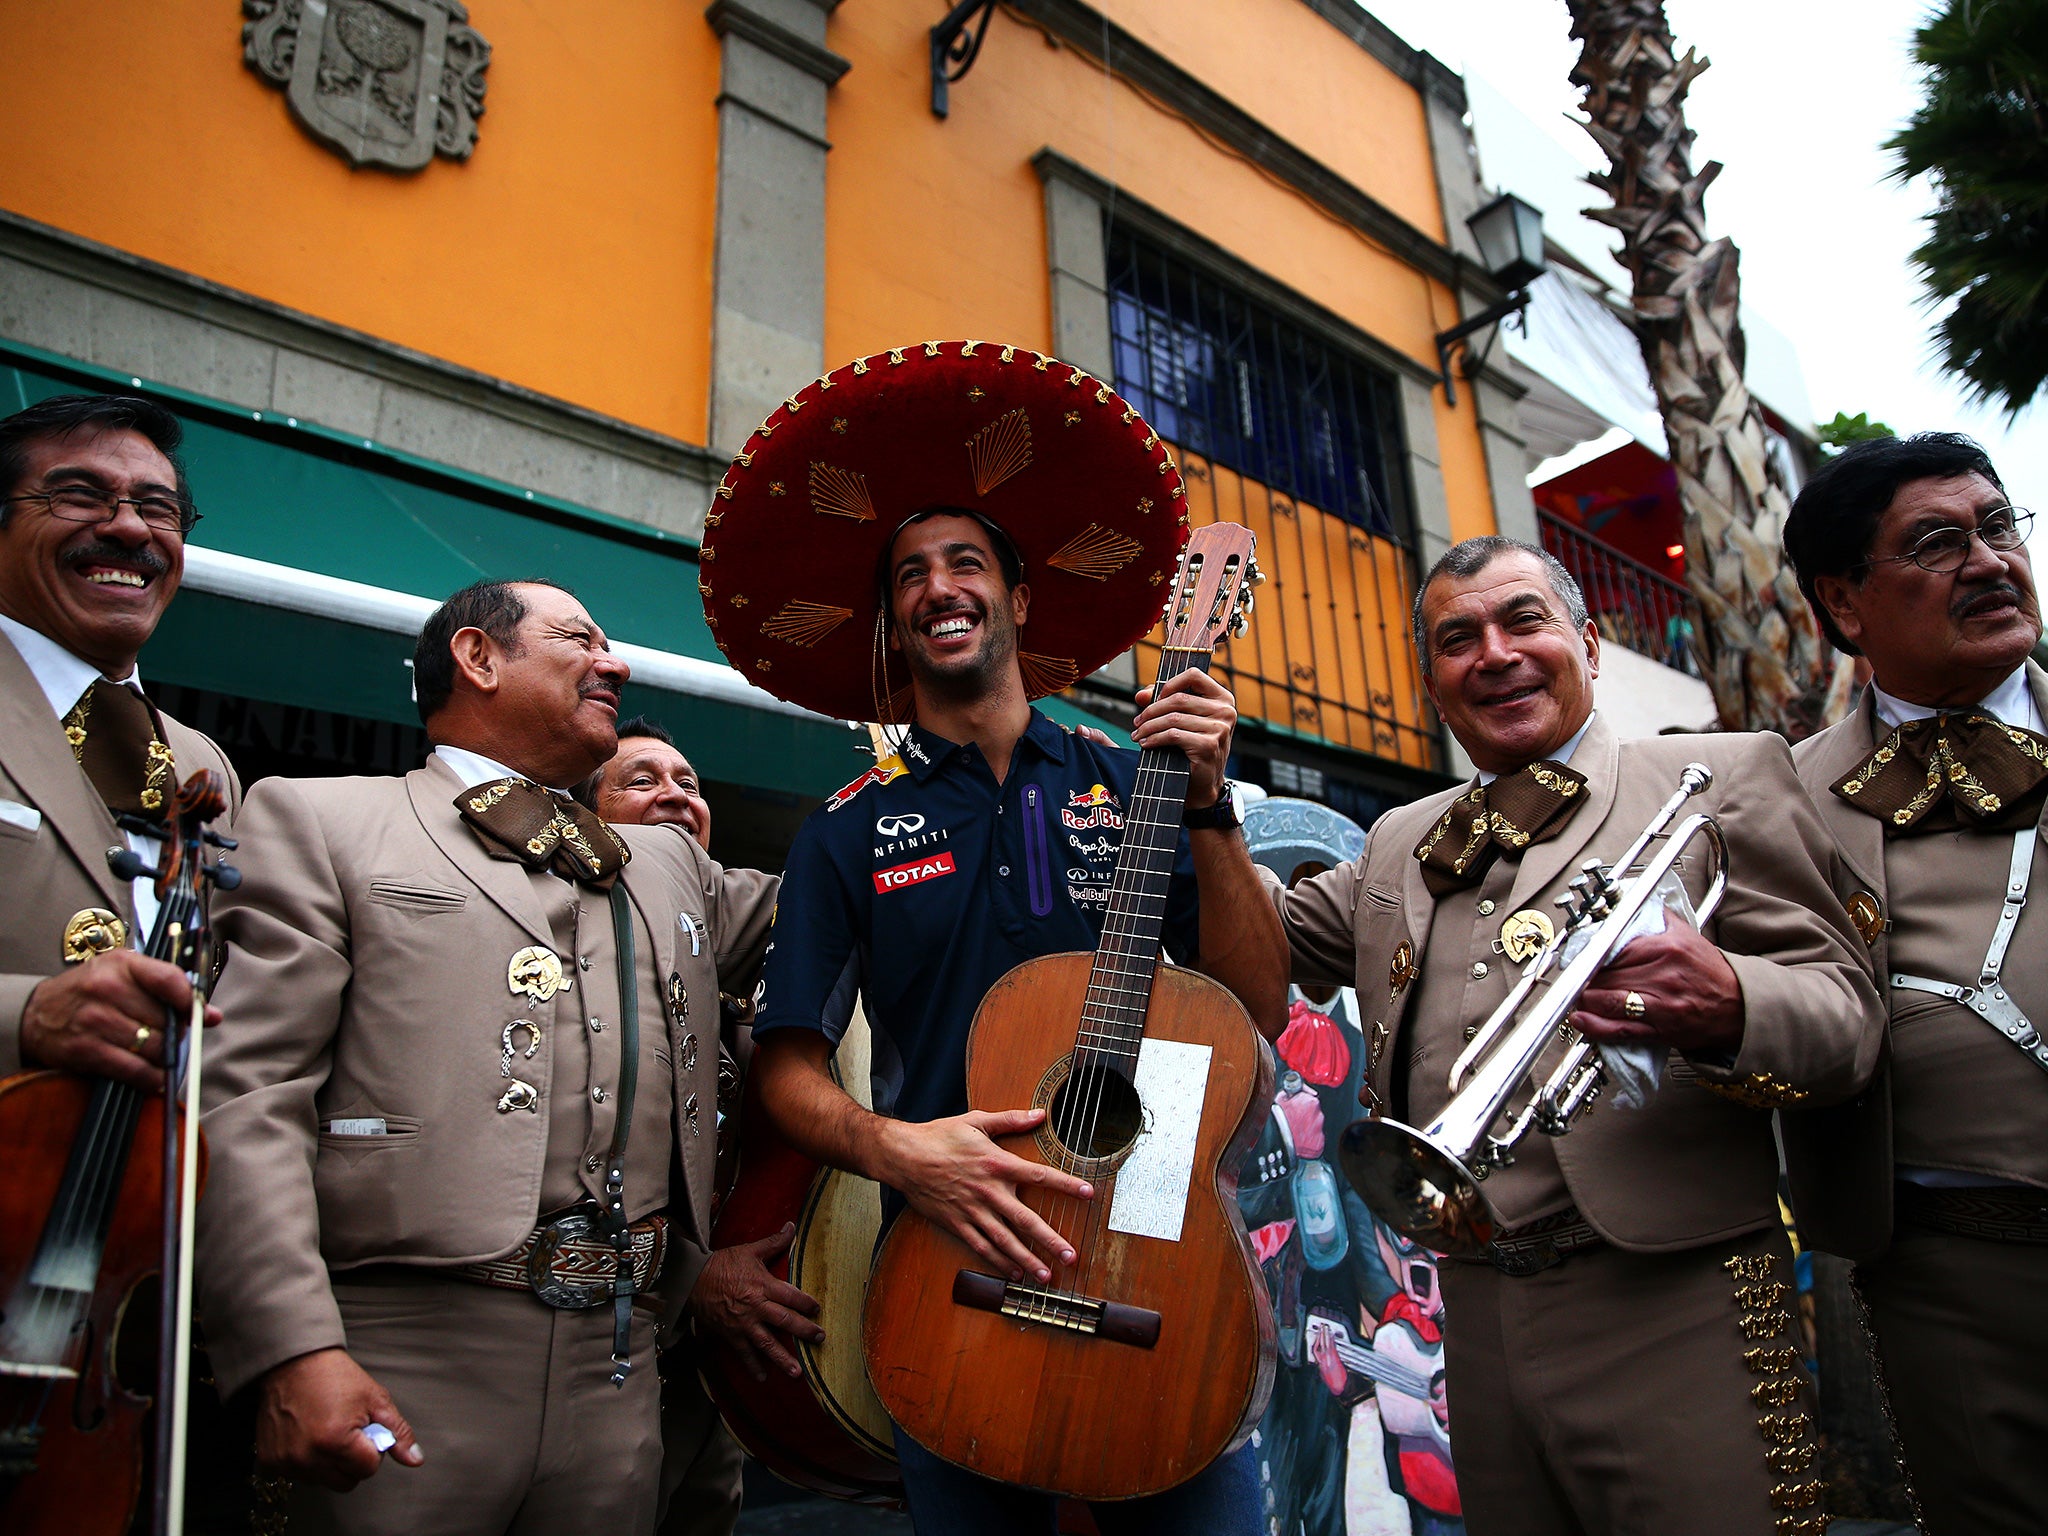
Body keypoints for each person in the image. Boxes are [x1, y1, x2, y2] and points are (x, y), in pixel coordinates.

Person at [698, 340, 1289, 1534]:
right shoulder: (847, 828)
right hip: (953, 1258)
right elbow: (785, 1066)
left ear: (1020, 601)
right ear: (892, 621)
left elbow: (1255, 1003)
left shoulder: (1139, 780)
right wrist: (895, 1153)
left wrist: (1212, 806)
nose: (937, 586)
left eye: (965, 562)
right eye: (908, 573)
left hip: (1158, 1250)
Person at [1266, 535, 1882, 1536]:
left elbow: (1846, 1025)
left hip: (1677, 1296)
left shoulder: (1718, 776)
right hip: (1471, 1306)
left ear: (1587, 645)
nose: (1494, 654)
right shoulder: (1395, 840)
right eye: (1457, 640)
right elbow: (1250, 943)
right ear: (1431, 687)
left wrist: (1732, 1001)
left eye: (1522, 621)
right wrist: (1198, 791)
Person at [194, 580, 779, 1536]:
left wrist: (962, 737)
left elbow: (852, 905)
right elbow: (248, 1098)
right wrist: (291, 1350)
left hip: (619, 1368)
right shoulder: (323, 820)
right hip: (398, 1353)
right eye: (580, 639)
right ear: (479, 657)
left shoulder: (663, 863)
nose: (617, 663)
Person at [1781, 432, 2047, 1536]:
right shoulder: (1780, 797)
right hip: (1951, 1277)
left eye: (1997, 527)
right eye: (1936, 544)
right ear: (1844, 607)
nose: (1987, 562)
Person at [581, 715, 823, 1536]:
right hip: (591, 1346)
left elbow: (840, 898)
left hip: (720, 1365)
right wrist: (693, 1278)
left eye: (689, 783)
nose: (676, 796)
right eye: (642, 781)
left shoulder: (733, 926)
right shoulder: (562, 938)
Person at [0, 392, 239, 1091]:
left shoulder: (206, 766)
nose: (130, 529)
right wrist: (25, 1014)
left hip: (155, 1190)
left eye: (158, 508)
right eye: (79, 495)